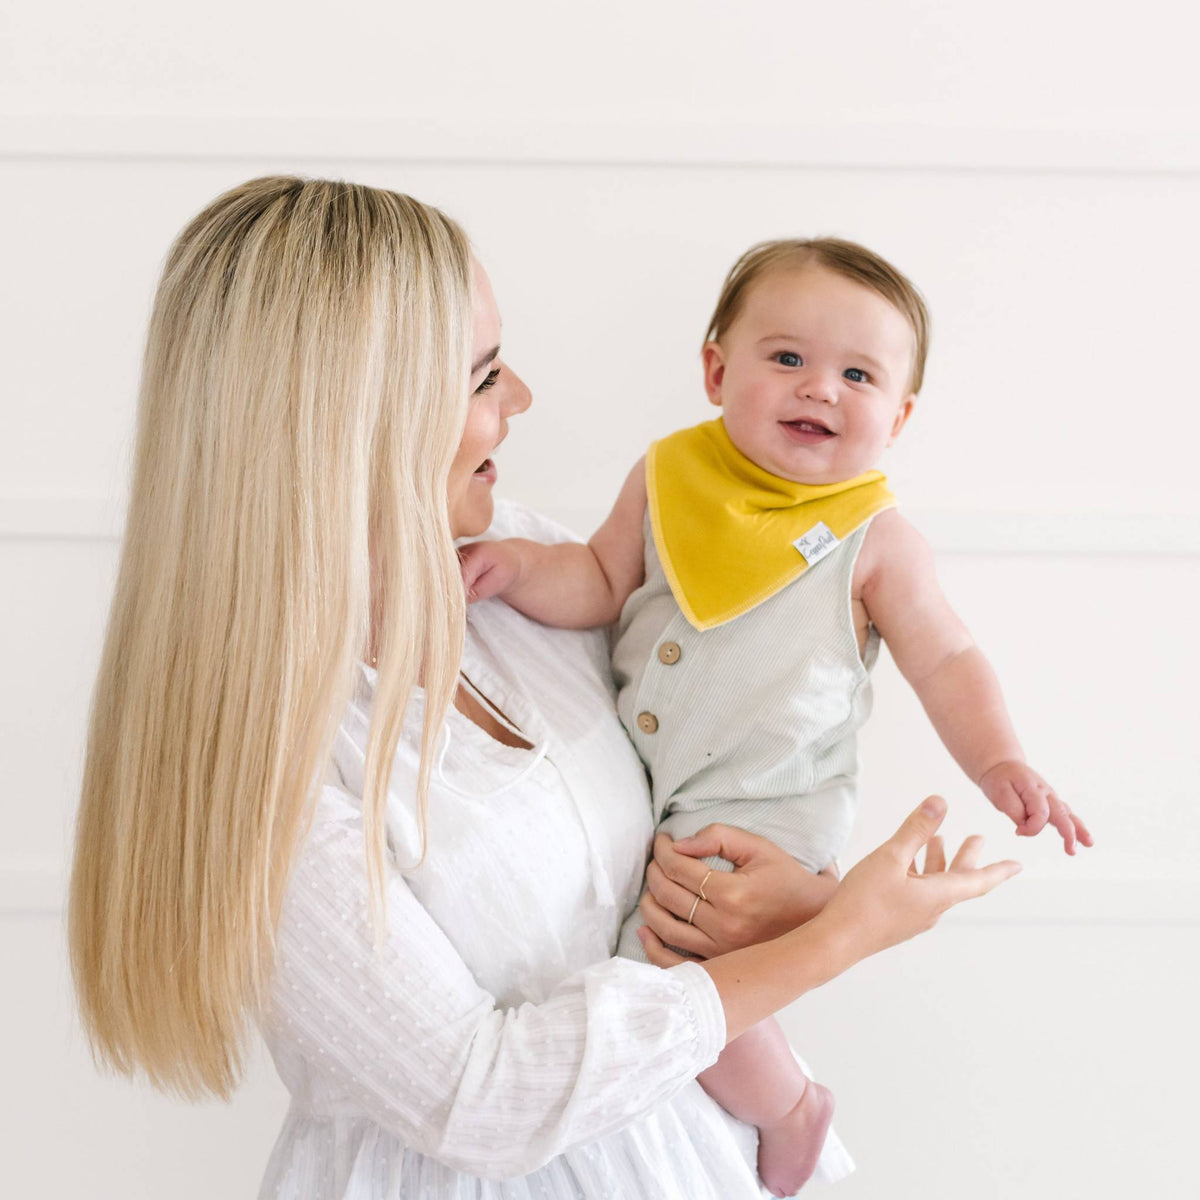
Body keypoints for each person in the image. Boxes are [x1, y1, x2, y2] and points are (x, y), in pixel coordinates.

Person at [68, 177, 1021, 1200]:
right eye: (482, 378)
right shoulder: (256, 761)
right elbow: (479, 1098)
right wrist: (842, 938)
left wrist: (795, 902)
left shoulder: (527, 577)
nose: (520, 400)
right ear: (357, 418)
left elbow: (721, 767)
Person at [458, 236, 1094, 1194]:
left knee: (676, 983)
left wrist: (1001, 759)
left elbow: (949, 658)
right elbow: (597, 578)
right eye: (787, 358)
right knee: (647, 969)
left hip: (765, 812)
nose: (820, 389)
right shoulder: (670, 479)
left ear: (901, 413)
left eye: (859, 374)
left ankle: (792, 1107)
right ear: (717, 370)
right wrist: (514, 566)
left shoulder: (876, 541)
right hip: (650, 793)